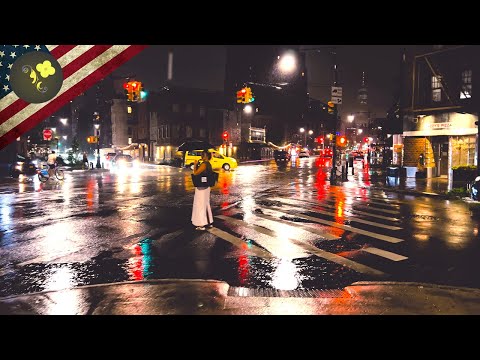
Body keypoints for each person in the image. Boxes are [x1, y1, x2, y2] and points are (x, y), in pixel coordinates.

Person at [191, 150, 213, 231]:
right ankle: (208, 222)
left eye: (202, 155)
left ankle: (201, 224)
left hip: (201, 187)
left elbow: (196, 173)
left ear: (205, 156)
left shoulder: (204, 164)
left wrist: (195, 165)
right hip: (206, 186)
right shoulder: (209, 164)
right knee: (206, 203)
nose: (201, 156)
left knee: (200, 204)